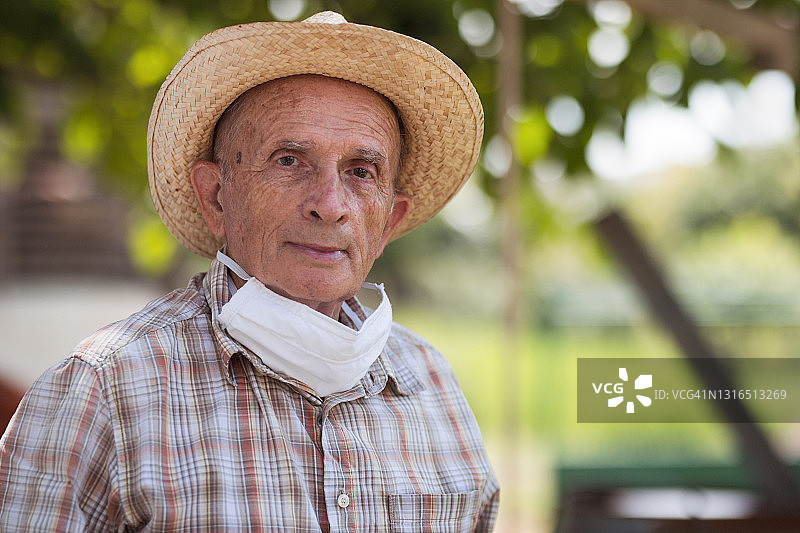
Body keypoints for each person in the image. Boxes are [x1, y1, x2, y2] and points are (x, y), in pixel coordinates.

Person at [0, 11, 499, 531]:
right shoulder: (103, 391)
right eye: (288, 160)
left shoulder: (431, 383)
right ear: (216, 196)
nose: (330, 204)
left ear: (389, 221)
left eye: (360, 171)